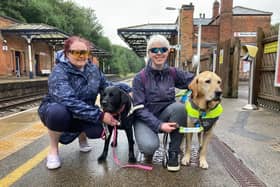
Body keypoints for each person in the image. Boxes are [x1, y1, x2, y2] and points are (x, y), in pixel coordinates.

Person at [38, 36, 131, 170]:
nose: (81, 56)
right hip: (61, 111)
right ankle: (53, 150)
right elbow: (68, 101)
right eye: (76, 52)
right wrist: (100, 115)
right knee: (57, 113)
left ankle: (82, 138)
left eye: (84, 52)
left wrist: (128, 90)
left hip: (85, 111)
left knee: (98, 130)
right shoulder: (59, 71)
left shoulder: (93, 70)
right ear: (67, 53)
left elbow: (107, 86)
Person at [132, 34, 194, 172]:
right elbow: (139, 109)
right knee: (149, 147)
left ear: (168, 51)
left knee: (180, 108)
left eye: (163, 49)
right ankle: (148, 147)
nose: (159, 53)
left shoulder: (173, 73)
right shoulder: (139, 78)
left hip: (166, 114)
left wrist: (209, 87)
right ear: (148, 53)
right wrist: (159, 125)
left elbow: (196, 80)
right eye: (154, 50)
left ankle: (173, 152)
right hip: (145, 118)